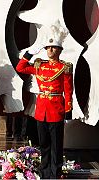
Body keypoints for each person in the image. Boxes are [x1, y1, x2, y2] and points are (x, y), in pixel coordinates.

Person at [16, 21, 73, 178]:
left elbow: (68, 90)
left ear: (59, 50)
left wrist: (68, 110)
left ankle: (56, 172)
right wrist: (30, 53)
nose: (50, 50)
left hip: (56, 109)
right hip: (42, 109)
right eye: (48, 47)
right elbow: (20, 68)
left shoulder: (64, 67)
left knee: (56, 144)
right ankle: (44, 171)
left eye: (53, 47)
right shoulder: (40, 65)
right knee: (44, 144)